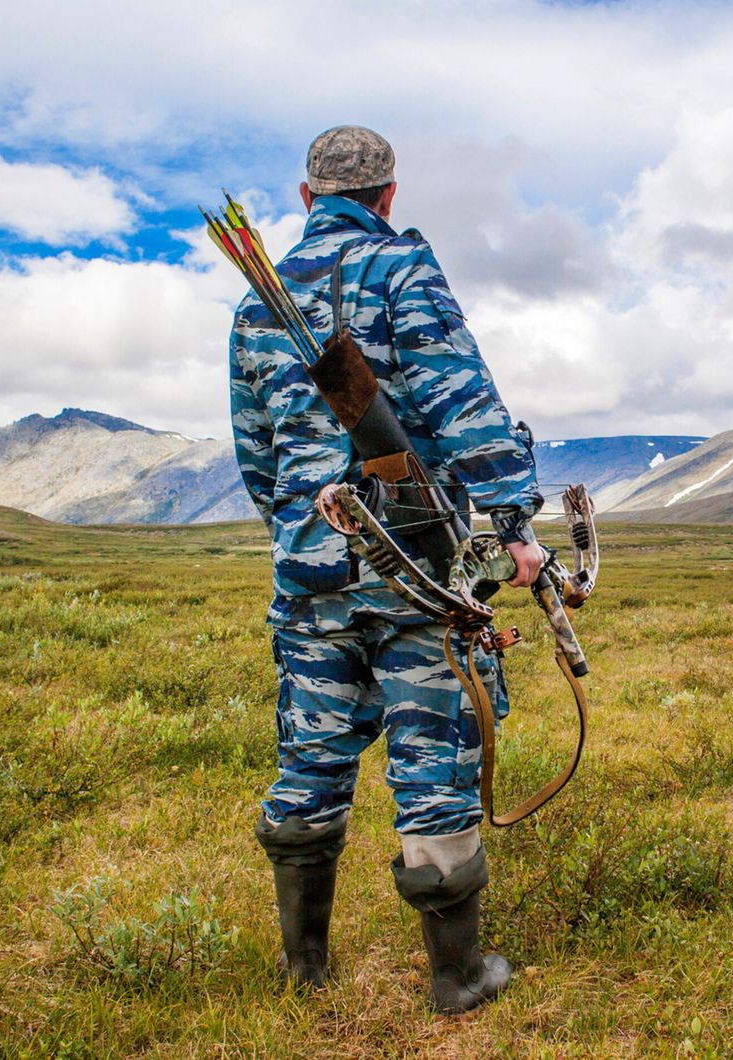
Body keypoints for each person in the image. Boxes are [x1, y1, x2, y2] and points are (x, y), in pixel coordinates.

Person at [228, 125, 543, 1014]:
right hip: (416, 571)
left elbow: (257, 452)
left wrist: (301, 528)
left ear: (306, 199)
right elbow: (462, 400)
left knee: (310, 759)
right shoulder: (401, 269)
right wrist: (515, 522)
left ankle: (305, 970)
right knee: (433, 764)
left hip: (310, 567)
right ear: (389, 197)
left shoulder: (259, 300)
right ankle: (457, 978)